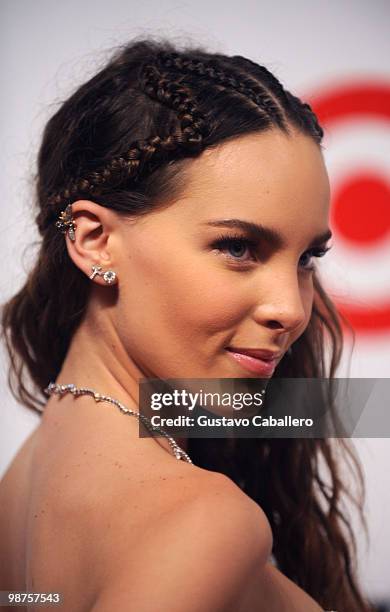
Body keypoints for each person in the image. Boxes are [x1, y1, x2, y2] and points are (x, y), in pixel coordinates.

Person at [0, 37, 375, 612]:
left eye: (306, 259)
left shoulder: (27, 478)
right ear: (95, 240)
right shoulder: (206, 520)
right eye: (238, 246)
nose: (292, 309)